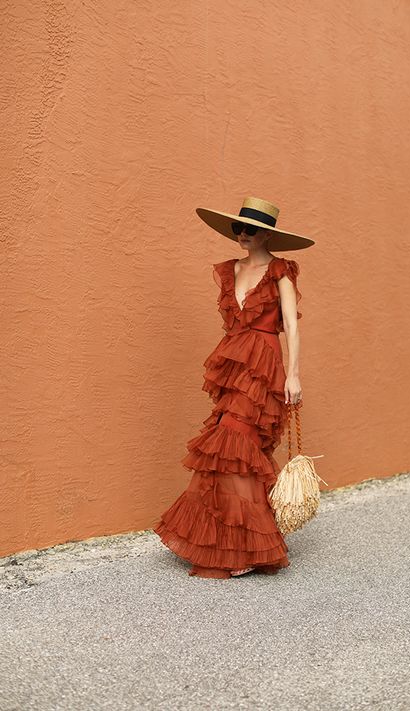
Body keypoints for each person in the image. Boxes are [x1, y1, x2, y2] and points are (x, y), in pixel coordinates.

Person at [154, 196, 316, 579]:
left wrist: (293, 374)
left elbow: (291, 326)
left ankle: (239, 545)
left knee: (237, 444)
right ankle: (240, 544)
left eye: (250, 229)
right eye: (238, 228)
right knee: (232, 451)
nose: (242, 234)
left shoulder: (280, 270)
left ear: (267, 234)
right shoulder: (231, 270)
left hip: (263, 364)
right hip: (233, 361)